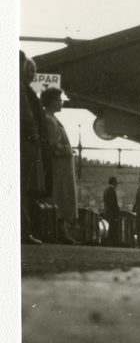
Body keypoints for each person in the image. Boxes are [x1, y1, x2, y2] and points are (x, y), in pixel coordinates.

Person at [41, 86, 78, 243]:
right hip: (58, 169)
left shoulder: (50, 119)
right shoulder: (50, 120)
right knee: (59, 199)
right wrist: (68, 149)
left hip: (59, 169)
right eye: (58, 100)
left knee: (59, 200)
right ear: (51, 101)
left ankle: (61, 232)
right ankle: (61, 233)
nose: (61, 103)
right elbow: (52, 146)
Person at [20, 52, 49, 244]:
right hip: (27, 147)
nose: (31, 74)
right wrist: (35, 137)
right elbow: (28, 118)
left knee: (26, 190)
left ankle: (26, 230)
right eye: (28, 70)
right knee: (25, 189)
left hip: (30, 147)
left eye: (34, 71)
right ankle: (25, 231)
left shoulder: (27, 91)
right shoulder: (24, 91)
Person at [103, 175, 121, 246]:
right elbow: (113, 203)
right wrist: (117, 209)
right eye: (116, 183)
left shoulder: (106, 190)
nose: (117, 184)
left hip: (107, 211)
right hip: (112, 213)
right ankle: (112, 242)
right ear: (113, 183)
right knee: (112, 228)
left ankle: (109, 242)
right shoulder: (111, 190)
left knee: (109, 227)